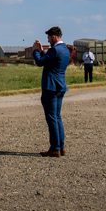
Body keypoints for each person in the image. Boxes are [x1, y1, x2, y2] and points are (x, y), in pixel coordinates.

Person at [33, 26, 70, 157]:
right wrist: (43, 51)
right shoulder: (64, 49)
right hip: (60, 86)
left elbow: (39, 62)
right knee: (57, 117)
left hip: (51, 87)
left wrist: (36, 51)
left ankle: (55, 148)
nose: (48, 40)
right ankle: (61, 147)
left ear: (54, 36)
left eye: (49, 37)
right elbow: (50, 60)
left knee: (52, 118)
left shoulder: (55, 50)